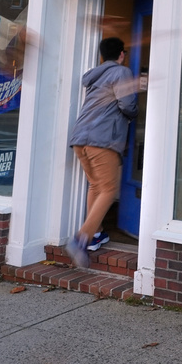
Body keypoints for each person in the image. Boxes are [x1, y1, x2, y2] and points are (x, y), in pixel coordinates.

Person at [65, 37, 138, 268]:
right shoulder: (122, 72)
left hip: (80, 139)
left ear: (101, 56)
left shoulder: (96, 76)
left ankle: (95, 234)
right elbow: (127, 105)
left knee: (95, 186)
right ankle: (81, 239)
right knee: (108, 189)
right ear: (121, 54)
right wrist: (136, 112)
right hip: (102, 139)